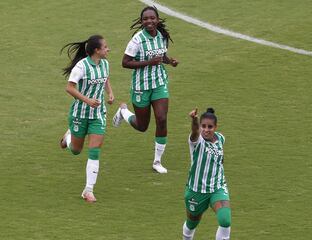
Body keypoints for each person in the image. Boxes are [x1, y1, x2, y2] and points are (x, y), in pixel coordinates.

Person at [112, 6, 179, 174]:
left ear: (157, 19)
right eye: (145, 19)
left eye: (152, 18)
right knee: (142, 126)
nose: (149, 21)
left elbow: (161, 56)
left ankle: (157, 162)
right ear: (141, 22)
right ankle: (123, 112)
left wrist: (169, 61)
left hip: (159, 83)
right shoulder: (137, 40)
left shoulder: (162, 36)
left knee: (162, 119)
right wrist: (148, 62)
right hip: (141, 87)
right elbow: (125, 62)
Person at [59, 34, 114, 203]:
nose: (108, 49)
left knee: (95, 150)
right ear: (96, 50)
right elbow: (69, 88)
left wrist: (110, 93)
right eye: (105, 47)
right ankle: (68, 137)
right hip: (80, 114)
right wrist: (88, 100)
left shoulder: (104, 63)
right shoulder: (81, 67)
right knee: (76, 150)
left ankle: (88, 190)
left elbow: (105, 79)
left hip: (98, 114)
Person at [182, 108, 232, 240]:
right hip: (196, 190)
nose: (206, 129)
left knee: (225, 220)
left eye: (210, 127)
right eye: (203, 126)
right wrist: (194, 120)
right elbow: (194, 132)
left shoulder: (221, 138)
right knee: (192, 223)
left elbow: (220, 158)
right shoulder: (197, 141)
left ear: (215, 127)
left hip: (217, 187)